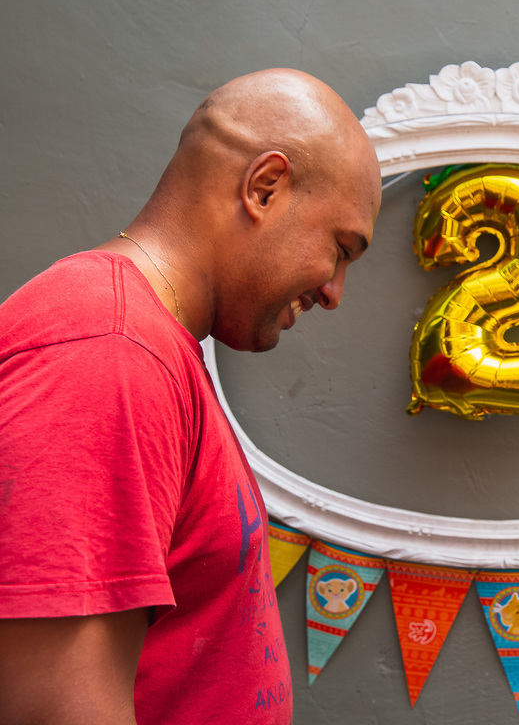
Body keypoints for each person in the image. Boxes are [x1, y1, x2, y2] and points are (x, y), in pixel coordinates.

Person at [0, 68, 383, 724]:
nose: (333, 291)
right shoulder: (107, 349)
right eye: (340, 248)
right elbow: (52, 707)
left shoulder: (149, 348)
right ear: (264, 188)